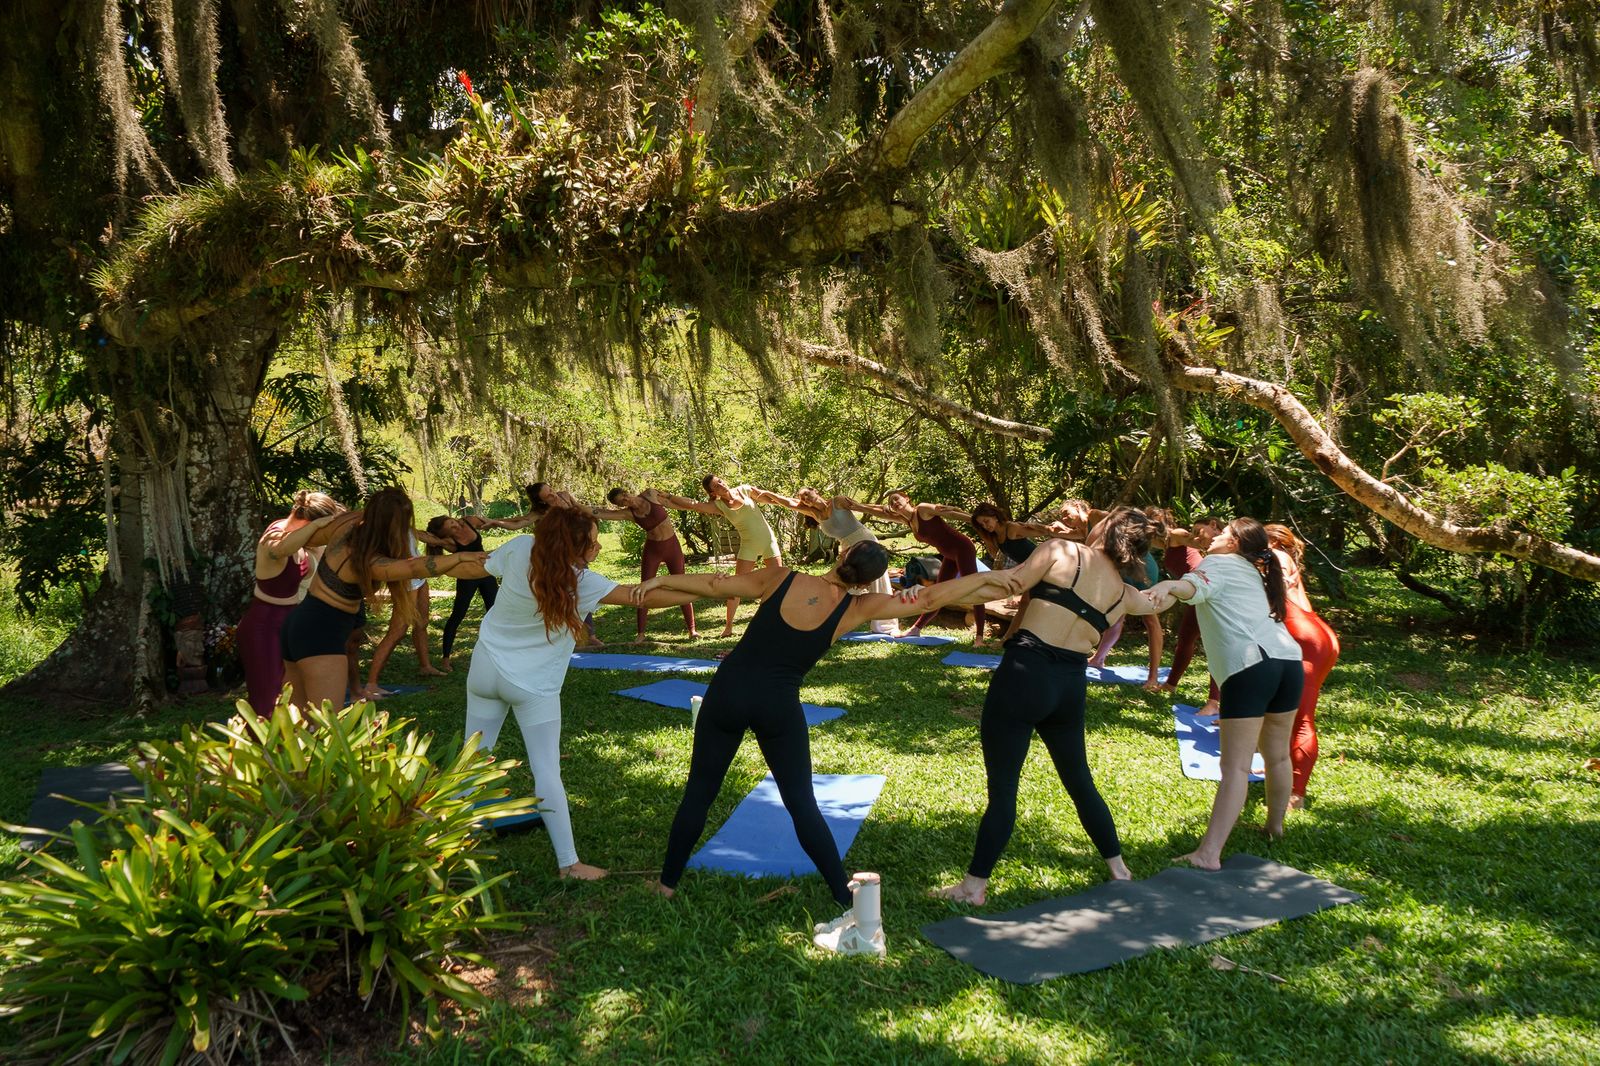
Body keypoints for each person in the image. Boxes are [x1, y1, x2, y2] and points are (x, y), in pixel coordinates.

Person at [637, 542, 1014, 953]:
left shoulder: (782, 578)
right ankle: (842, 894)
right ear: (871, 580)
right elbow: (929, 596)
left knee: (700, 793)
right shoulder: (858, 609)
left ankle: (666, 885)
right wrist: (1005, 583)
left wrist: (660, 578)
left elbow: (713, 583)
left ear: (840, 557)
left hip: (727, 693)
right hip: (777, 706)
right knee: (802, 804)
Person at [925, 508, 1168, 906]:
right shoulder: (1126, 594)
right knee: (1080, 782)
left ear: (1108, 531)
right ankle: (1119, 870)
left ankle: (973, 887)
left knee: (1003, 791)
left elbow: (1005, 582)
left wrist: (928, 597)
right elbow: (1160, 600)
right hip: (1069, 688)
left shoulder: (1062, 551)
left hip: (1024, 676)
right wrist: (1190, 583)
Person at [465, 508, 703, 880]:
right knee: (546, 770)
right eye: (592, 539)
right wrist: (704, 588)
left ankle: (442, 839)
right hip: (531, 684)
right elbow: (641, 598)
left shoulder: (520, 547)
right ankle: (569, 865)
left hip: (484, 668)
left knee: (471, 758)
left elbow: (483, 565)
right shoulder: (582, 580)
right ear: (578, 545)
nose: (597, 544)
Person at [1146, 518, 1305, 870]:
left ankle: (1208, 854)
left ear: (1233, 543)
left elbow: (1194, 589)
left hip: (1252, 666)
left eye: (1221, 533)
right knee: (1277, 755)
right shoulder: (1255, 571)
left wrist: (1172, 584)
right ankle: (1274, 828)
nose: (1212, 536)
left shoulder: (1217, 563)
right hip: (1289, 662)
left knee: (1234, 766)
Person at [281, 488, 486, 711]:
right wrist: (462, 555)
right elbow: (413, 566)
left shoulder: (348, 522)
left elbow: (305, 536)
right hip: (321, 634)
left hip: (298, 623)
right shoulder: (370, 561)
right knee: (325, 728)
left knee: (294, 725)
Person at [237, 490, 345, 713]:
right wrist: (315, 528)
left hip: (291, 625)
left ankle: (293, 744)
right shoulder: (275, 536)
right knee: (268, 698)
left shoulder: (304, 542)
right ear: (308, 522)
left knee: (294, 695)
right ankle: (265, 746)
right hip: (264, 627)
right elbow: (280, 550)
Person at [845, 491, 990, 645]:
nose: (894, 503)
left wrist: (976, 521)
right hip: (949, 555)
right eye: (891, 502)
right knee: (939, 593)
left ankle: (979, 637)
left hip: (963, 549)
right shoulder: (907, 520)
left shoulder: (922, 510)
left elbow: (950, 513)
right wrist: (856, 506)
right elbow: (880, 512)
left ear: (907, 499)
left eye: (897, 498)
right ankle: (916, 629)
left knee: (974, 590)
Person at [752, 487, 900, 636]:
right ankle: (836, 620)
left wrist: (891, 513)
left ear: (815, 491)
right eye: (803, 499)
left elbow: (862, 507)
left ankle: (887, 625)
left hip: (865, 542)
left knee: (879, 581)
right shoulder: (815, 514)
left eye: (807, 495)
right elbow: (789, 502)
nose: (806, 499)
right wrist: (770, 494)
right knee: (844, 584)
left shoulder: (838, 502)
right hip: (848, 548)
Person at [1265, 524, 1340, 809]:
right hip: (1314, 634)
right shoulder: (1282, 557)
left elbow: (1279, 587)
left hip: (1306, 638)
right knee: (1283, 711)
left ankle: (1296, 793)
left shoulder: (1275, 556)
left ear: (1271, 540)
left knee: (1302, 719)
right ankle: (1281, 769)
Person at [657, 477, 783, 638]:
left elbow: (771, 499)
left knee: (778, 584)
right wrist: (668, 497)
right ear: (712, 492)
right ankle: (728, 627)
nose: (722, 485)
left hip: (769, 542)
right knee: (735, 587)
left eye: (721, 481)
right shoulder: (719, 506)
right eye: (717, 485)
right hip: (749, 546)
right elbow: (692, 504)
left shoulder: (745, 489)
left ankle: (777, 623)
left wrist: (795, 503)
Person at [591, 487, 698, 640]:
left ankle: (692, 630)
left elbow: (674, 502)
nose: (626, 500)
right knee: (644, 588)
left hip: (672, 547)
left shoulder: (650, 494)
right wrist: (573, 505)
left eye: (625, 495)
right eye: (622, 502)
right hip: (653, 550)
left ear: (627, 491)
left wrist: (696, 506)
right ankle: (641, 633)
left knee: (682, 584)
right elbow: (601, 513)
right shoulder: (629, 513)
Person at [362, 525, 447, 698]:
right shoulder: (387, 529)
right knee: (398, 631)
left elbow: (423, 536)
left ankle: (425, 666)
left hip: (419, 578)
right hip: (406, 581)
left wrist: (446, 542)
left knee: (422, 622)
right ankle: (371, 683)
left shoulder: (406, 526)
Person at [1158, 515, 1224, 713]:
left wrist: (1199, 539)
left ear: (1213, 524)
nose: (1196, 536)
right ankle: (1171, 684)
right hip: (1194, 594)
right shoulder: (1171, 542)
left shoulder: (1179, 535)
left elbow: (1184, 537)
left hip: (1204, 593)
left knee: (1215, 646)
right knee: (1185, 639)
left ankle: (1214, 702)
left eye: (1198, 531)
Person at [424, 513, 500, 672]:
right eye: (451, 527)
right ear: (446, 535)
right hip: (467, 577)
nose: (455, 525)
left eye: (452, 521)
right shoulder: (449, 542)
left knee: (495, 612)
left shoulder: (468, 521)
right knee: (457, 615)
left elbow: (492, 522)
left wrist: (494, 522)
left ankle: (497, 654)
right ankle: (445, 659)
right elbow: (425, 537)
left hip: (486, 573)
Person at [1086, 541, 1165, 692]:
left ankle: (1153, 676)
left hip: (1141, 569)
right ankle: (1098, 659)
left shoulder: (1108, 519)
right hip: (1119, 564)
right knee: (1117, 612)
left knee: (1150, 620)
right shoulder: (1100, 525)